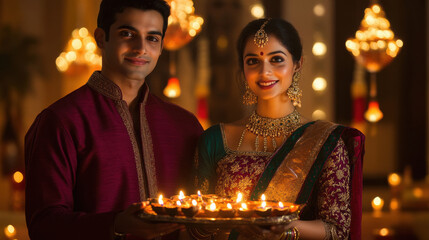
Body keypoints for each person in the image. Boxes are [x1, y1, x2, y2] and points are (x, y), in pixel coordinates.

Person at [24, 0, 203, 239]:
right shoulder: (60, 121)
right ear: (101, 38)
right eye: (127, 34)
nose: (141, 48)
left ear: (161, 46)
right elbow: (43, 225)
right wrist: (117, 224)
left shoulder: (185, 126)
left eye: (152, 38)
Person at [194, 18, 365, 240]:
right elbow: (195, 225)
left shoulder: (326, 141)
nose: (265, 71)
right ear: (243, 67)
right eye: (253, 61)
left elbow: (337, 231)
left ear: (297, 64)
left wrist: (285, 227)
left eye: (277, 59)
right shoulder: (215, 139)